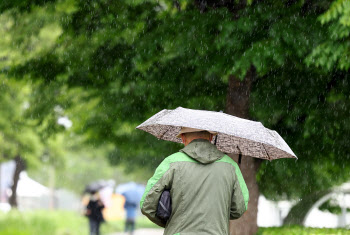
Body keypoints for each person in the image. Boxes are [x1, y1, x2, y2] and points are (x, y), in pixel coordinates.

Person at [140, 127, 249, 235]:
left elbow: (147, 204)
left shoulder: (171, 162)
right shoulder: (231, 166)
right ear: (211, 137)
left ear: (183, 138)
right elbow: (239, 208)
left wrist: (171, 223)